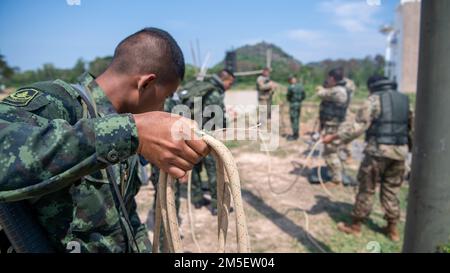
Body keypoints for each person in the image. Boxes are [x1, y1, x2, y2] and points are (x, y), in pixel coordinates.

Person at [0, 27, 209, 253]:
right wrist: (131, 131)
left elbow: (126, 217)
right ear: (146, 84)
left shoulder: (123, 126)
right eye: (166, 97)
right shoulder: (57, 102)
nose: (164, 108)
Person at [322, 75, 413, 241]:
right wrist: (409, 148)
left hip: (377, 153)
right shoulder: (405, 100)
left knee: (366, 188)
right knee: (391, 191)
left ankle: (355, 226)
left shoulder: (373, 100)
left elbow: (357, 127)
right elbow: (411, 127)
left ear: (372, 87)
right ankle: (393, 230)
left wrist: (334, 137)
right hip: (400, 153)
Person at [172, 69, 235, 215]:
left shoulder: (198, 87)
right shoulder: (213, 93)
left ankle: (197, 198)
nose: (230, 86)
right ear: (224, 80)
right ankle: (217, 205)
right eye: (230, 83)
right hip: (206, 138)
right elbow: (219, 120)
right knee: (214, 171)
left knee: (194, 168)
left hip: (187, 134)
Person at [316, 68, 351, 186]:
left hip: (333, 125)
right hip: (336, 124)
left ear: (332, 78)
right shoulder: (343, 88)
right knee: (336, 149)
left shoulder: (337, 91)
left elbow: (321, 94)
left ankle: (336, 178)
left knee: (330, 152)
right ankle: (335, 172)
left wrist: (320, 89)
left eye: (328, 78)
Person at [286, 75, 306, 141]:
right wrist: (299, 101)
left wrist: (291, 101)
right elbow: (304, 96)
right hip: (299, 104)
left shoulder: (290, 87)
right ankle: (296, 133)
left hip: (293, 104)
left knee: (293, 120)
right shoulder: (301, 86)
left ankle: (295, 135)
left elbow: (288, 97)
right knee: (297, 119)